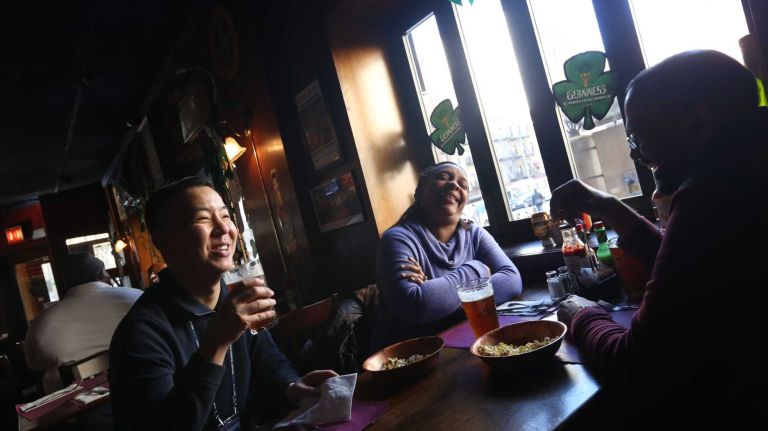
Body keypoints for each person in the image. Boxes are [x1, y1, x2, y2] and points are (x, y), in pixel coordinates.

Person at [550, 50, 768, 426]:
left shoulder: (712, 195)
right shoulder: (749, 169)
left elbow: (636, 365)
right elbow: (696, 271)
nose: (636, 152)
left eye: (639, 137)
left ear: (698, 123)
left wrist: (583, 314)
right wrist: (610, 207)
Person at [109, 177, 337, 430]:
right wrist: (217, 341)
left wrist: (292, 387)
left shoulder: (232, 299)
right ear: (165, 242)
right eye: (203, 219)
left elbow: (266, 358)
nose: (223, 228)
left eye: (226, 216)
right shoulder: (141, 333)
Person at [372, 162, 523, 351]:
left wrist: (442, 297)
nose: (455, 185)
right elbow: (416, 307)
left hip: (462, 343)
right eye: (444, 177)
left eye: (464, 185)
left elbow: (512, 280)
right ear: (419, 192)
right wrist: (476, 270)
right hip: (409, 357)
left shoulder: (474, 233)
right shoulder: (397, 239)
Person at [24, 253, 142, 393]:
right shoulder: (135, 297)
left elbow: (34, 365)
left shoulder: (42, 321)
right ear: (100, 275)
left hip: (77, 407)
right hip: (142, 389)